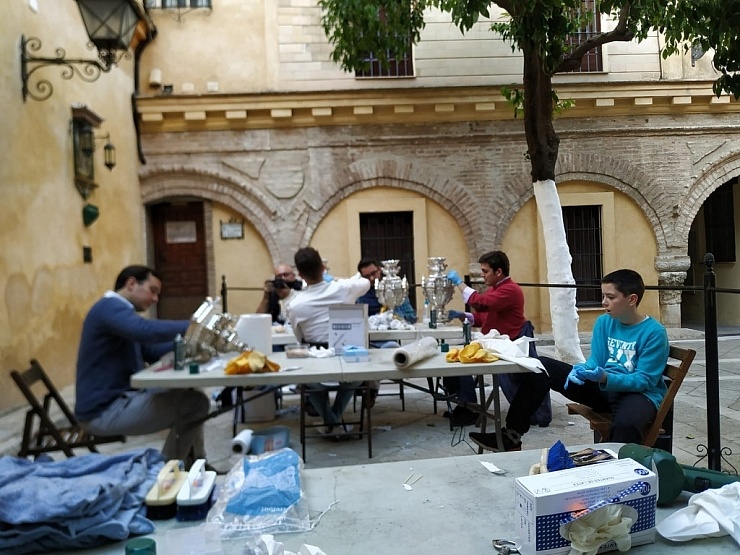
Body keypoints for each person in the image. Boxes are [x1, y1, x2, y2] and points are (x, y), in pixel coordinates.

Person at [469, 268, 670, 452]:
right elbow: (596, 361)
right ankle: (511, 436)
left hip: (639, 395)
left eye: (610, 297)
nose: (604, 302)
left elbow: (644, 380)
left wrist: (605, 377)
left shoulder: (654, 332)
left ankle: (618, 469)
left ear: (632, 299)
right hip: (604, 389)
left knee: (625, 424)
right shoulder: (604, 322)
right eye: (603, 296)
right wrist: (583, 370)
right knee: (541, 366)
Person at [75, 265, 211, 469]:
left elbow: (151, 350)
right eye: (152, 290)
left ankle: (196, 464)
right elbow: (144, 330)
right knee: (196, 405)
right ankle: (165, 472)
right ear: (131, 284)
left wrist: (192, 344)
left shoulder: (120, 314)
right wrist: (192, 326)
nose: (155, 299)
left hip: (122, 399)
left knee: (191, 393)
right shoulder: (108, 308)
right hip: (103, 411)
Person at [445, 250, 551, 427]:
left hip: (509, 346)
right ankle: (464, 405)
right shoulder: (495, 290)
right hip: (497, 343)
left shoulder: (510, 290)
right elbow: (482, 317)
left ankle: (469, 408)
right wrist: (463, 315)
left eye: (485, 271)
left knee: (462, 364)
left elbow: (480, 303)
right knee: (454, 361)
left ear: (499, 271)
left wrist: (459, 283)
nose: (482, 275)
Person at [287, 247, 372, 435]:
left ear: (300, 274)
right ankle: (334, 420)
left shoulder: (295, 305)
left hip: (317, 369)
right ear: (323, 267)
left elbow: (299, 337)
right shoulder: (343, 289)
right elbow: (366, 282)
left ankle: (331, 421)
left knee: (309, 382)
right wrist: (336, 280)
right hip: (349, 363)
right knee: (353, 379)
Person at [356, 258, 417, 325]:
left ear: (380, 269)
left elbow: (411, 317)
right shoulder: (361, 295)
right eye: (366, 276)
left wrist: (396, 316)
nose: (371, 278)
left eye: (373, 273)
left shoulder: (396, 288)